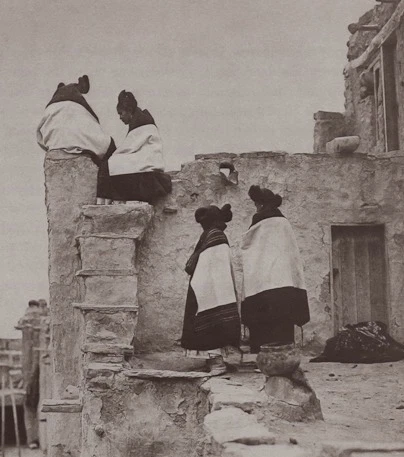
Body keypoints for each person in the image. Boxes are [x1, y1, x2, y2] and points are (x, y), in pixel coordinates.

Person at [241, 185, 310, 353]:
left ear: (261, 204)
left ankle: (262, 358)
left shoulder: (259, 223)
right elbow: (292, 255)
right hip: (284, 284)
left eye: (256, 204)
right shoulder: (284, 223)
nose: (256, 208)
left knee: (262, 327)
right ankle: (284, 358)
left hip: (261, 287)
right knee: (282, 327)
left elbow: (249, 249)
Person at [180, 204, 241, 375]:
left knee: (211, 323)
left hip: (210, 289)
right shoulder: (214, 235)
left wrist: (201, 287)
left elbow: (210, 265)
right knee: (214, 323)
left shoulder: (214, 237)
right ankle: (213, 361)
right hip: (213, 288)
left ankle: (217, 363)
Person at [98, 91, 172, 204]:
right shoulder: (140, 119)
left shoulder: (141, 122)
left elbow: (128, 148)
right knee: (114, 165)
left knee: (108, 165)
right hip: (146, 161)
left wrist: (112, 157)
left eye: (121, 113)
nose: (120, 117)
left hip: (148, 163)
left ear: (129, 110)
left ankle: (104, 202)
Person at [37, 75, 114, 164]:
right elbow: (105, 146)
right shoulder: (76, 111)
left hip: (54, 151)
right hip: (77, 155)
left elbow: (41, 137)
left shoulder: (53, 112)